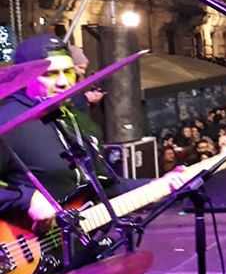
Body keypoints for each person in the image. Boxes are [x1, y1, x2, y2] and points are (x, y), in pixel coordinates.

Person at [0, 34, 187, 235]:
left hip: (83, 247)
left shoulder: (75, 120)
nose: (64, 82)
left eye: (69, 72)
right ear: (23, 78)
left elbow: (105, 186)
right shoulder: (7, 122)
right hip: (25, 253)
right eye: (50, 73)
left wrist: (158, 184)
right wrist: (26, 199)